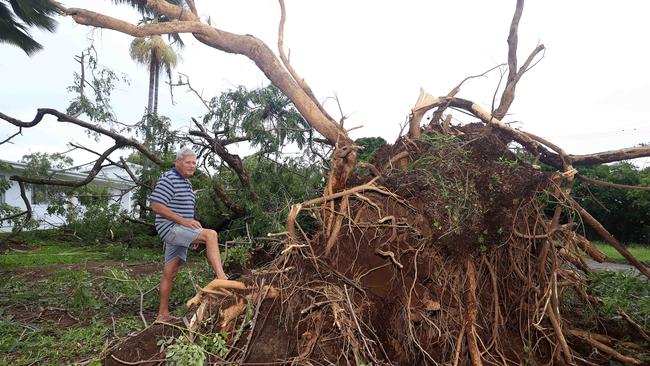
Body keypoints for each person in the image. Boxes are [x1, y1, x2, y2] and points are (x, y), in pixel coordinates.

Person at [150, 148, 228, 322]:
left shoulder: (186, 183)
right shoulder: (168, 178)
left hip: (179, 230)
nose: (192, 166)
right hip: (170, 228)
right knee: (211, 235)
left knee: (170, 272)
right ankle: (222, 278)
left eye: (194, 162)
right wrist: (185, 224)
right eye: (188, 162)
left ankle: (162, 315)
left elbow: (180, 209)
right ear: (177, 162)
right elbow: (156, 206)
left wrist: (190, 234)